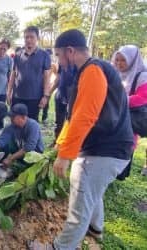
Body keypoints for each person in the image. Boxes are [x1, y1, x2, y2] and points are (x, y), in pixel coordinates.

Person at [31, 29, 133, 250]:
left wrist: (66, 156)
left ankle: (59, 247)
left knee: (80, 196)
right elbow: (74, 115)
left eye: (58, 55)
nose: (58, 61)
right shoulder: (89, 69)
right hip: (112, 148)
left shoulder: (93, 70)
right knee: (92, 191)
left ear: (70, 51)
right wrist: (60, 145)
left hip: (105, 150)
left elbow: (86, 116)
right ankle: (95, 228)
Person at [112, 45, 147, 177]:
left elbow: (143, 98)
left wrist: (120, 99)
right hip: (116, 115)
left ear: (132, 60)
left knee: (126, 142)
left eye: (123, 60)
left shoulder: (142, 76)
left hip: (130, 116)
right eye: (117, 60)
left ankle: (120, 173)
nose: (119, 63)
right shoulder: (116, 73)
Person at [0, 104, 44, 168]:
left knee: (30, 163)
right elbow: (0, 142)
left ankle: (16, 162)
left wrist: (10, 158)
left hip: (34, 155)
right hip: (20, 152)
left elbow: (29, 147)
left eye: (13, 117)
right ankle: (5, 161)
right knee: (5, 144)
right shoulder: (11, 127)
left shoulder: (33, 125)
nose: (11, 119)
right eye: (10, 116)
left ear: (23, 117)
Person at [7, 26, 51, 122]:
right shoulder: (18, 55)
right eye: (26, 37)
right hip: (17, 96)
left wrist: (45, 96)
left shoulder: (44, 55)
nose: (29, 40)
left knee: (31, 123)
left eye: (32, 37)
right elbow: (13, 74)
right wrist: (9, 92)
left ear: (37, 38)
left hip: (35, 97)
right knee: (15, 122)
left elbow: (47, 77)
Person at [49, 64, 77, 139]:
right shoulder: (62, 63)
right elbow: (57, 78)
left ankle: (67, 140)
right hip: (60, 93)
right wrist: (50, 92)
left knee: (70, 119)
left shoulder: (77, 63)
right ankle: (57, 140)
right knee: (58, 120)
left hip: (71, 94)